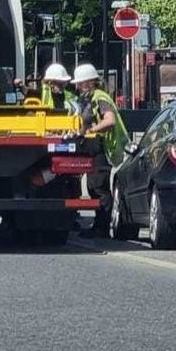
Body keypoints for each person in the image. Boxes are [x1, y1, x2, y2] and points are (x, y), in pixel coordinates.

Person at [72, 63, 129, 238]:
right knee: (92, 186)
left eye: (80, 83)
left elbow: (109, 120)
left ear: (89, 82)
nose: (78, 87)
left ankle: (102, 227)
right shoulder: (89, 98)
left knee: (99, 187)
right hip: (94, 148)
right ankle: (100, 225)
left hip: (102, 149)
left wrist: (92, 130)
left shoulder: (100, 98)